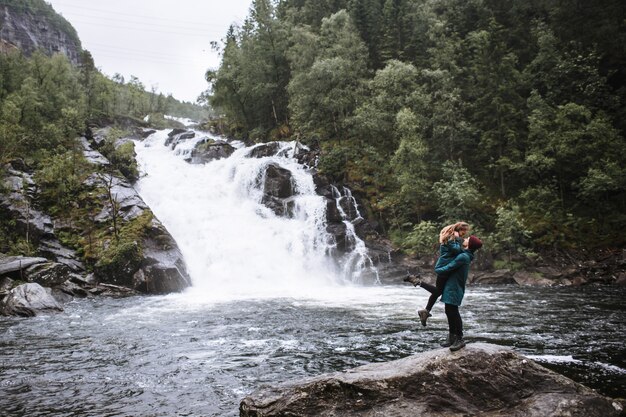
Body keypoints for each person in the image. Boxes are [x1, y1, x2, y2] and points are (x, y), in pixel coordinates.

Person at [404, 222, 470, 326]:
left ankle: (426, 311)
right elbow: (457, 251)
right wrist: (458, 240)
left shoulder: (451, 238)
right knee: (437, 291)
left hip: (445, 266)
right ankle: (417, 282)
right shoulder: (451, 238)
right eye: (464, 230)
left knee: (438, 291)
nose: (465, 233)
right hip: (444, 268)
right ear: (458, 230)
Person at [435, 235, 482, 351]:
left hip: (454, 287)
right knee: (449, 310)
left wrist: (438, 270)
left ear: (469, 244)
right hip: (453, 285)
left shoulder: (463, 257)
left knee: (453, 312)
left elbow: (449, 267)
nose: (464, 239)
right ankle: (451, 337)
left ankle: (460, 339)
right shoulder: (465, 254)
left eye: (467, 239)